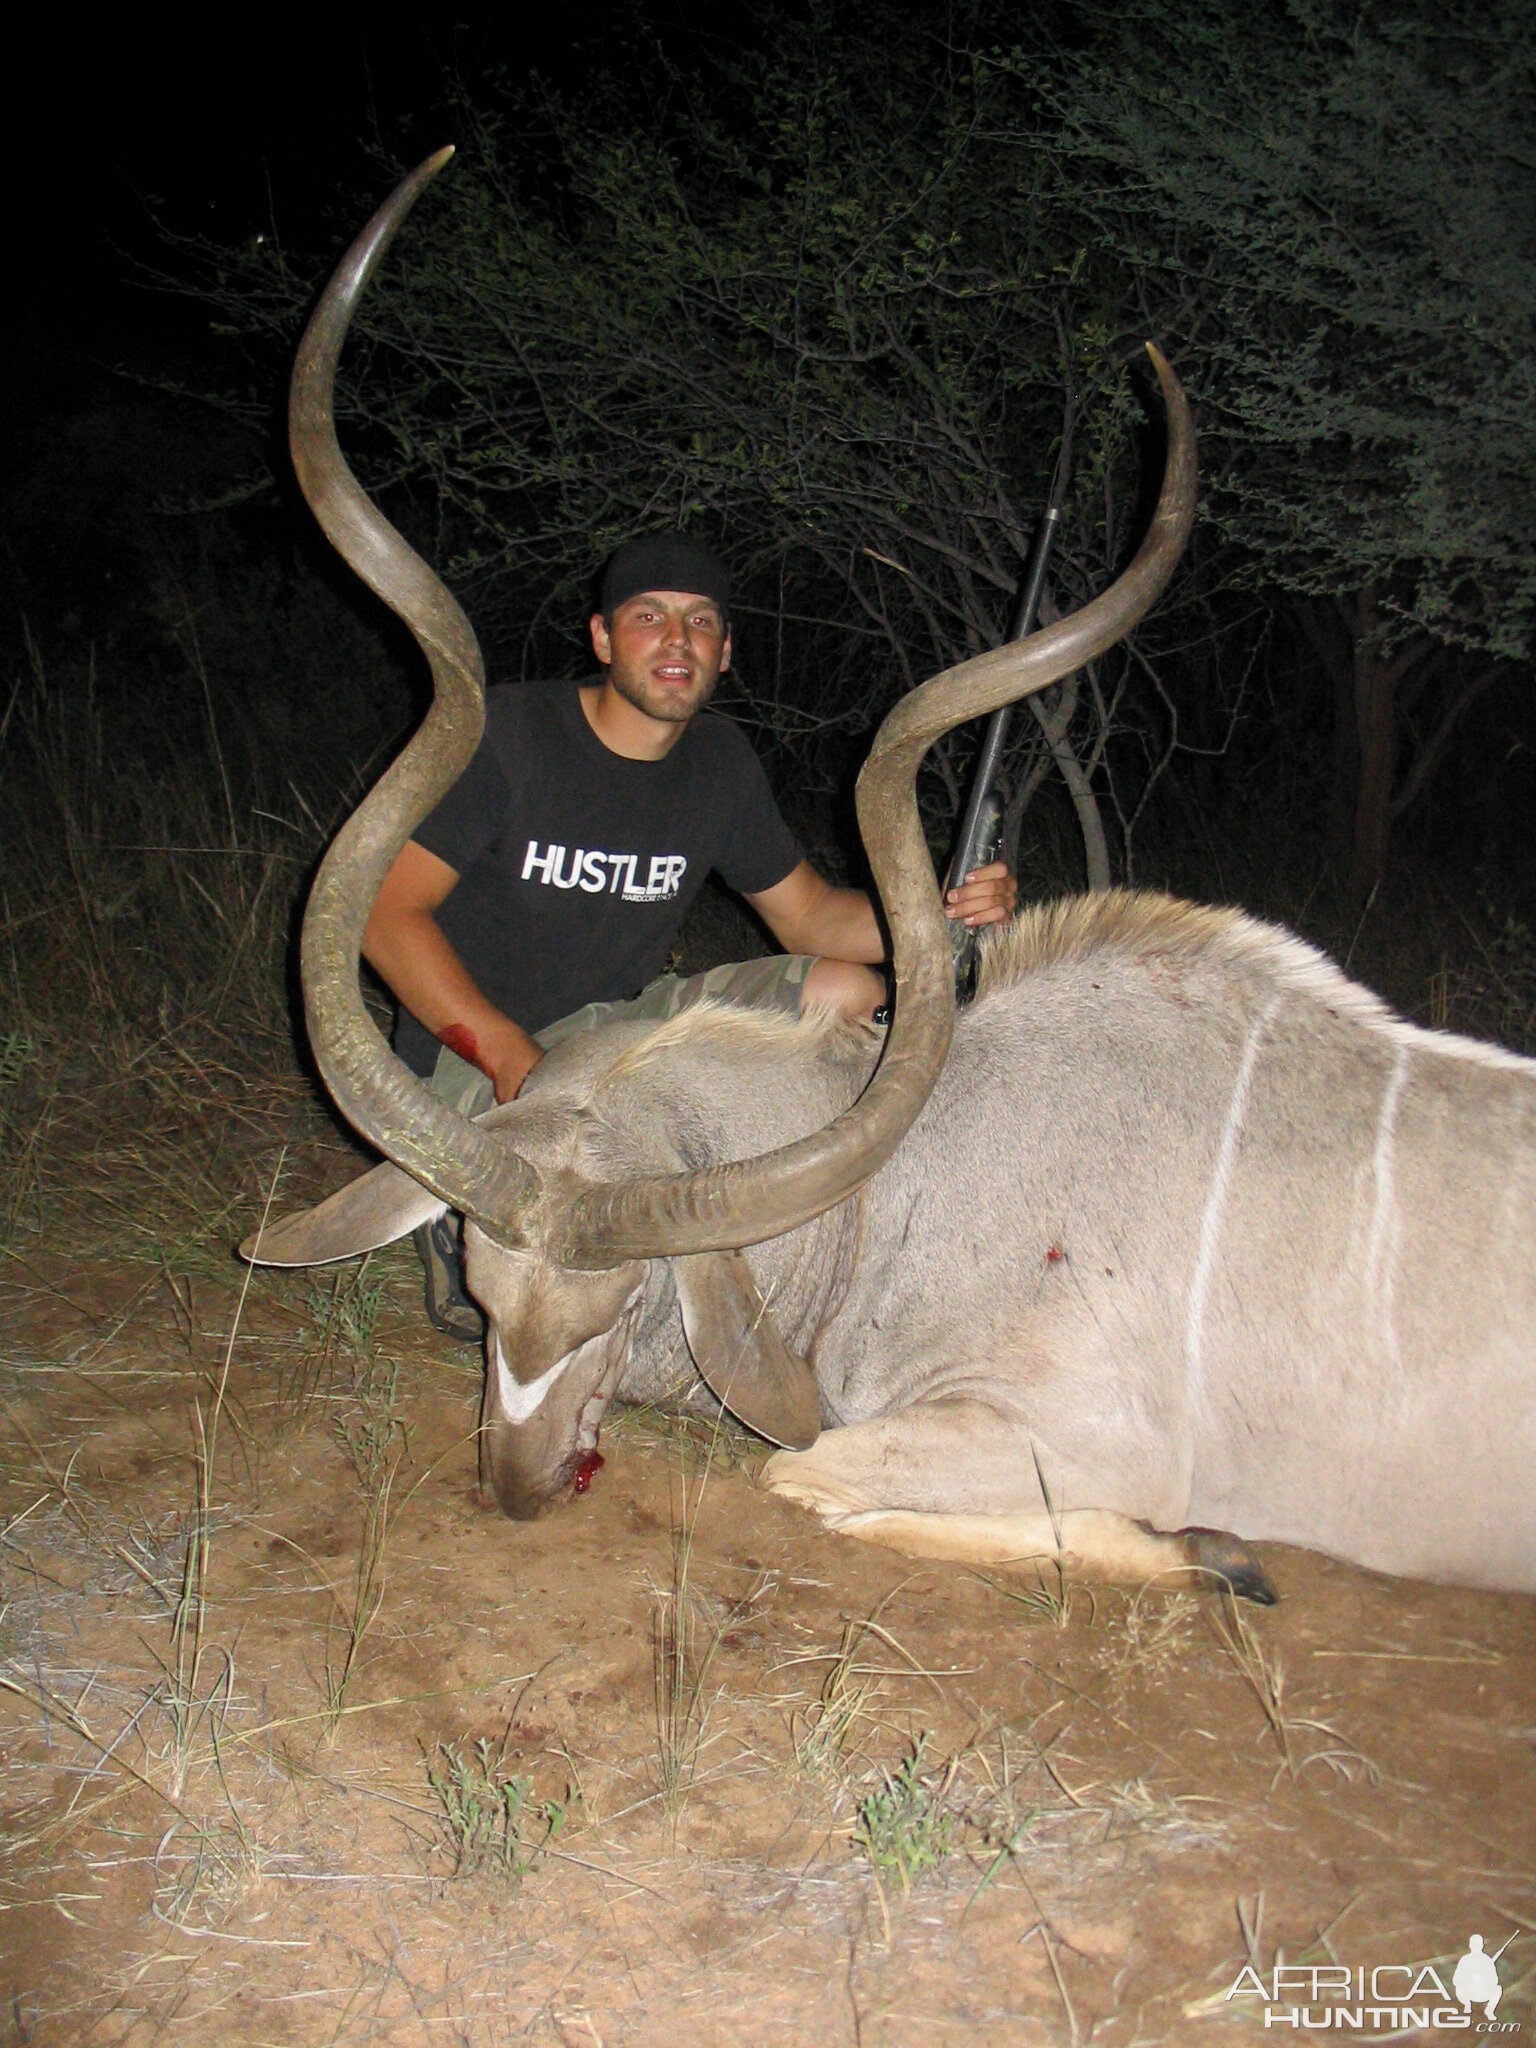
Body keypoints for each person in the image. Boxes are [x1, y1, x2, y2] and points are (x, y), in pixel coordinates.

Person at [361, 532, 1017, 1338]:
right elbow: (385, 916)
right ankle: (453, 1215)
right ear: (603, 639)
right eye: (650, 616)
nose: (679, 639)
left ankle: (817, 1243)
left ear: (725, 652)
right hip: (471, 1050)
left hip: (613, 1035)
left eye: (702, 622)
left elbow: (810, 916)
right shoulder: (509, 735)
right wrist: (507, 1056)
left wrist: (939, 907)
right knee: (556, 1268)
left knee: (849, 995)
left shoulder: (720, 763)